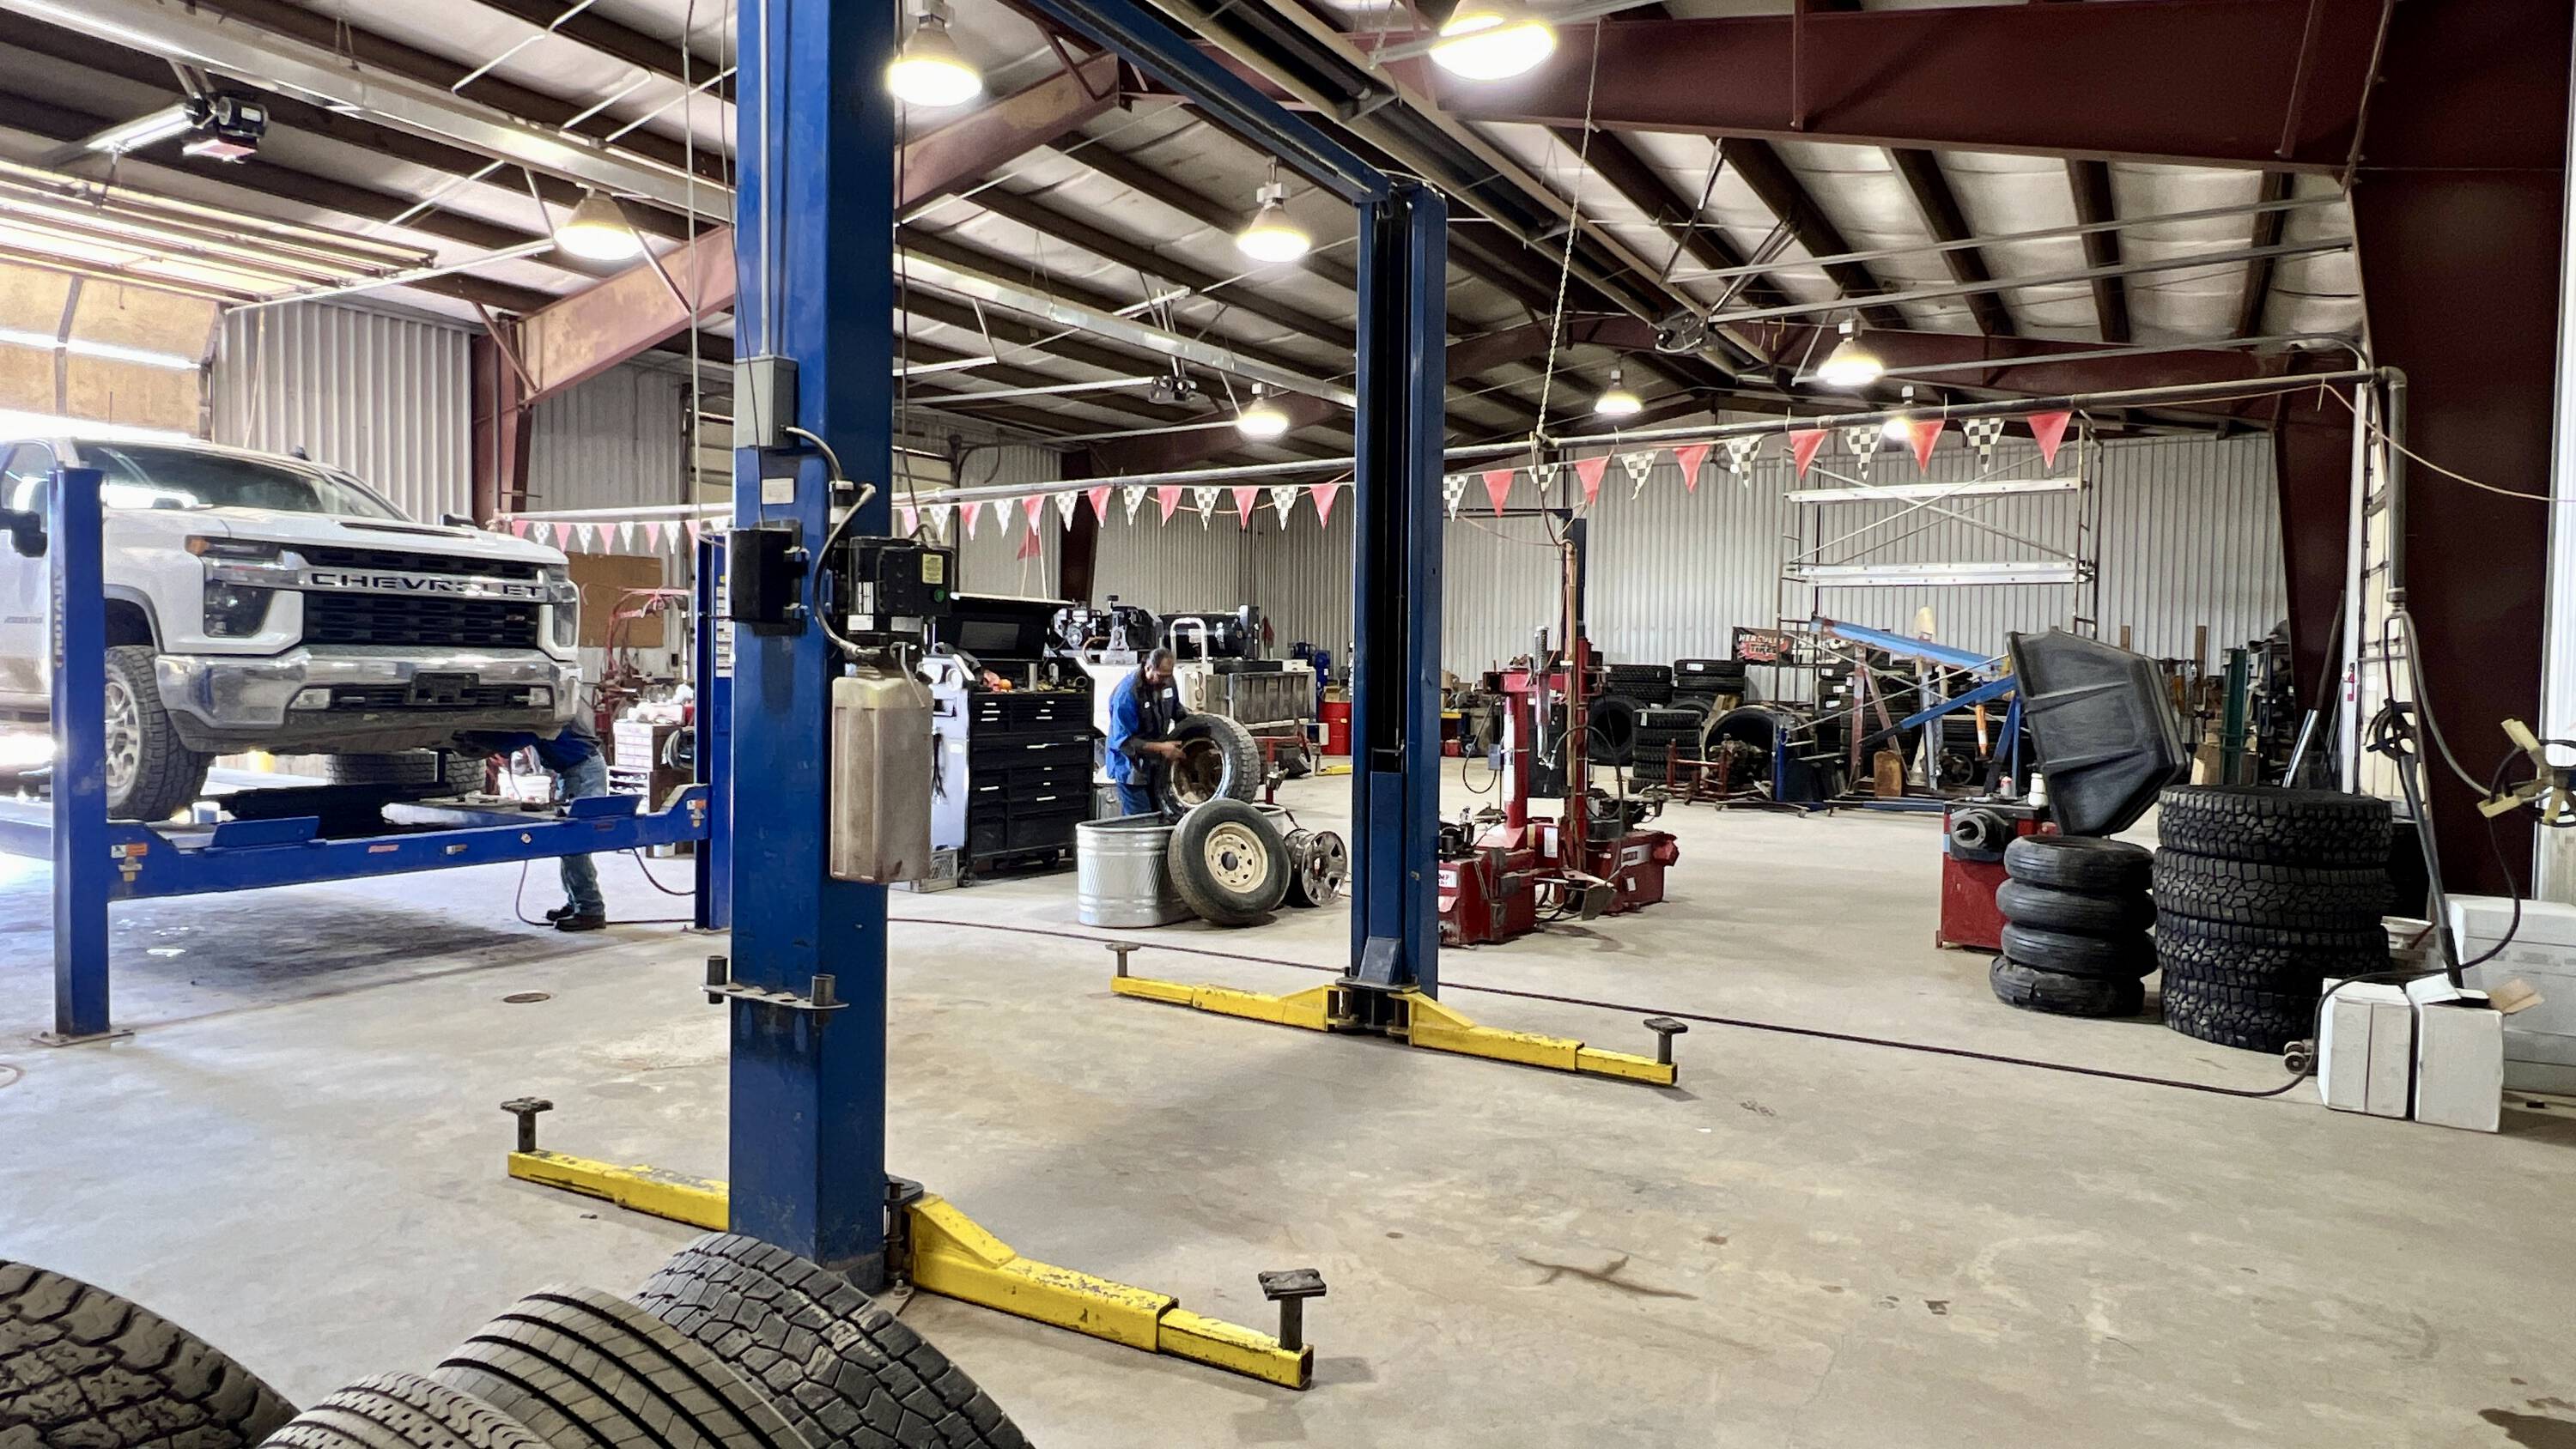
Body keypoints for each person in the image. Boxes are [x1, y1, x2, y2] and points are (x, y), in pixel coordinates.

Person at [462, 712, 609, 931]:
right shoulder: (545, 715)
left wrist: (474, 738)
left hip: (584, 772)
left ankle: (591, 910)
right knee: (568, 844)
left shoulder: (544, 717)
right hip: (574, 771)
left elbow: (517, 740)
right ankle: (576, 902)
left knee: (575, 842)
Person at [1105, 646, 1186, 816]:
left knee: (1163, 816)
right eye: (1161, 676)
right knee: (1141, 820)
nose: (1166, 680)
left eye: (1169, 675)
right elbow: (1124, 742)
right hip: (1131, 768)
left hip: (1156, 766)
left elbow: (1178, 712)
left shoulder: (1168, 681)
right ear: (1148, 668)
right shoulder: (1127, 694)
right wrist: (1162, 748)